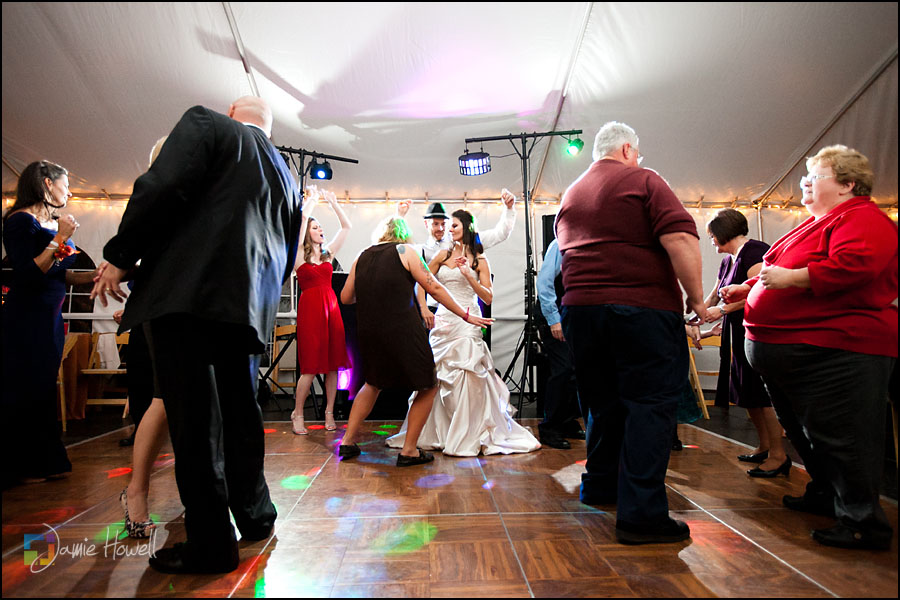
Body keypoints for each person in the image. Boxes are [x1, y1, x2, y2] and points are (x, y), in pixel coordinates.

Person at [91, 96, 302, 573]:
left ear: (232, 113)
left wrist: (121, 254)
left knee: (193, 421)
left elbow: (163, 186)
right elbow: (288, 256)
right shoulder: (288, 175)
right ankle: (256, 515)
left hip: (186, 297)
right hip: (247, 307)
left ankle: (211, 545)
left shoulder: (209, 124)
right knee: (241, 413)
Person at [721, 145, 897, 551]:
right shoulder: (818, 222)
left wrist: (794, 280)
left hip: (838, 350)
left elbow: (855, 265)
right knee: (809, 433)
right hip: (795, 353)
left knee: (844, 438)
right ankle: (826, 494)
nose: (804, 183)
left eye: (815, 177)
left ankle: (863, 523)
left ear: (848, 185)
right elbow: (777, 269)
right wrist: (749, 288)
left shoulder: (864, 218)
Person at [555, 121, 707, 545]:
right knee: (649, 405)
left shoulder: (572, 194)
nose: (638, 159)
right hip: (639, 308)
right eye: (637, 153)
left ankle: (600, 486)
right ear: (627, 149)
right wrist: (697, 300)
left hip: (581, 311)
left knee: (602, 403)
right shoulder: (644, 180)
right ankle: (642, 516)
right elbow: (680, 239)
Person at [338, 216, 493, 466]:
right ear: (403, 234)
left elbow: (346, 297)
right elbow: (435, 289)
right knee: (428, 385)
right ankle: (409, 450)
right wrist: (465, 315)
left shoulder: (362, 256)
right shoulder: (406, 251)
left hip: (370, 331)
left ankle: (347, 442)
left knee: (373, 383)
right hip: (402, 329)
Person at [386, 210, 541, 456]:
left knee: (469, 373)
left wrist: (469, 276)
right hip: (443, 321)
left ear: (467, 227)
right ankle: (439, 431)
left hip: (468, 321)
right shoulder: (442, 255)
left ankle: (467, 432)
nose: (449, 229)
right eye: (449, 226)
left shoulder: (480, 260)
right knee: (436, 376)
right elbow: (421, 282)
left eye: (454, 225)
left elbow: (488, 297)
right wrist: (424, 308)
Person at [1, 161, 97, 487]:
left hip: (50, 317)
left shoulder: (51, 224)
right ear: (46, 183)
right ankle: (21, 466)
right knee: (26, 388)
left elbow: (60, 274)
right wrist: (62, 237)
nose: (69, 192)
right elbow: (29, 273)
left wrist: (100, 275)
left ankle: (46, 460)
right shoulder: (20, 221)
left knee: (43, 388)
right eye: (65, 185)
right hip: (26, 317)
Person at [702, 209, 786, 475]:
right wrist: (697, 312)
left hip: (757, 332)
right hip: (737, 333)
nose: (711, 241)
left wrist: (722, 311)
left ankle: (779, 454)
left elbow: (759, 291)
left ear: (722, 232)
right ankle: (764, 446)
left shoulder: (756, 252)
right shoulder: (727, 261)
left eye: (712, 236)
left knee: (762, 396)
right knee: (748, 394)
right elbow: (714, 295)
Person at [291, 187, 351, 434]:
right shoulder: (299, 256)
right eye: (316, 228)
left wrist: (334, 203)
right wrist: (313, 201)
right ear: (308, 233)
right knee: (310, 367)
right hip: (311, 312)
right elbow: (303, 218)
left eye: (320, 227)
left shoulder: (328, 255)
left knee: (332, 365)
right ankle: (298, 413)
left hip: (331, 311)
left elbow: (346, 227)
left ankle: (329, 412)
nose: (320, 230)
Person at [398, 189, 517, 311]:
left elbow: (500, 234)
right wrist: (400, 216)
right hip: (435, 308)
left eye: (444, 224)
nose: (441, 228)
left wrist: (509, 209)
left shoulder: (471, 244)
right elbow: (399, 246)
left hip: (466, 309)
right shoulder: (422, 249)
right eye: (435, 224)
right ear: (426, 224)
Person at [535, 237, 584, 450]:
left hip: (574, 316)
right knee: (562, 370)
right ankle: (550, 427)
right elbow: (544, 283)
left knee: (575, 372)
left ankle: (567, 422)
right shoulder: (559, 244)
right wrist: (554, 319)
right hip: (554, 316)